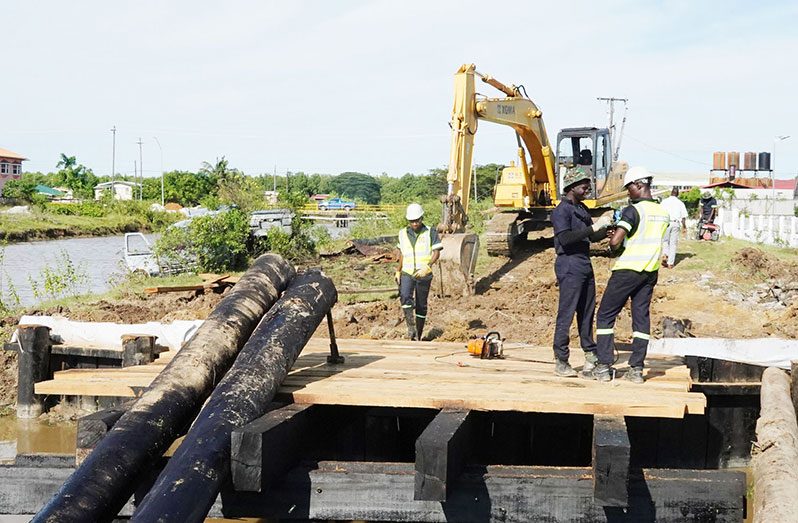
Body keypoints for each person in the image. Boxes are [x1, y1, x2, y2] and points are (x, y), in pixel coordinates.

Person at [583, 166, 669, 383]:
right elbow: (642, 236)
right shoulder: (662, 212)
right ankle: (637, 369)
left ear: (639, 185)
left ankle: (603, 367)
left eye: (629, 188)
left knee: (605, 316)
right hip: (649, 272)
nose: (628, 192)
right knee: (641, 319)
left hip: (627, 270)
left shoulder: (633, 210)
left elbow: (615, 242)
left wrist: (613, 241)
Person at [551, 167, 612, 377]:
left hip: (584, 263)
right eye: (584, 184)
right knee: (566, 313)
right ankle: (561, 359)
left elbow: (591, 238)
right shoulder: (561, 211)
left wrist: (605, 230)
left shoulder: (582, 209)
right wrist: (593, 229)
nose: (587, 188)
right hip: (569, 264)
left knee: (587, 312)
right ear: (571, 187)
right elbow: (566, 239)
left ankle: (590, 354)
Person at [395, 203, 443, 341]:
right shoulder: (402, 233)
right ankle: (411, 329)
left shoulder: (430, 231)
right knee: (405, 297)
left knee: (421, 304)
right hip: (407, 272)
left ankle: (419, 334)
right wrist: (398, 271)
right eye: (412, 221)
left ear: (422, 218)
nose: (415, 223)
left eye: (417, 220)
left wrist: (428, 266)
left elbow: (436, 252)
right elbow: (402, 254)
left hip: (424, 273)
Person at [659, 188, 688, 268]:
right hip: (675, 223)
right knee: (673, 243)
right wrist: (684, 227)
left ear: (671, 193)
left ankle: (665, 254)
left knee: (665, 241)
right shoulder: (680, 203)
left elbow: (660, 212)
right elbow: (683, 217)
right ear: (677, 194)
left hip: (666, 223)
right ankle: (670, 263)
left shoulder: (664, 202)